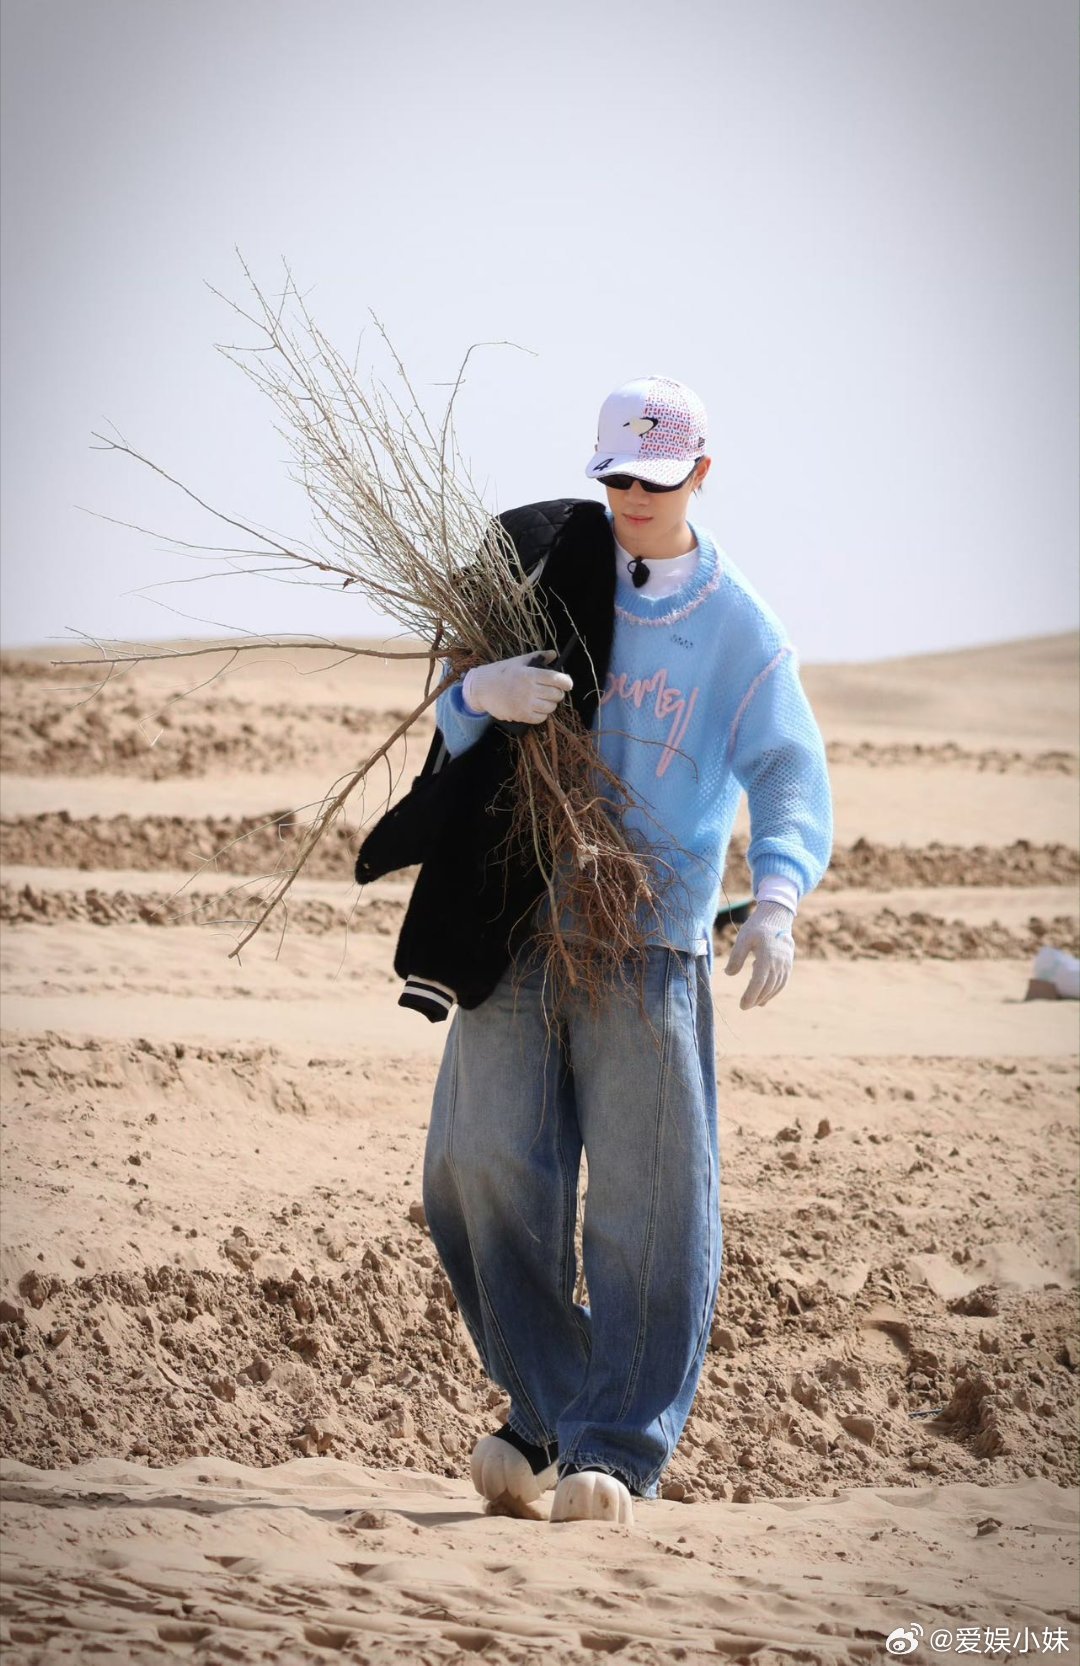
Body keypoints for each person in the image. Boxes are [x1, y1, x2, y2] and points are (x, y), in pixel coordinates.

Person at [419, 376, 833, 1525]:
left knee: (649, 1207)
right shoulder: (547, 570)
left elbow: (789, 773)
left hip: (649, 941)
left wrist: (779, 896)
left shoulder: (738, 623)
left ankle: (613, 1444)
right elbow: (451, 720)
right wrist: (476, 696)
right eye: (614, 479)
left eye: (653, 482)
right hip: (516, 922)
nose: (630, 500)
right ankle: (550, 1405)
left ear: (701, 475)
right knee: (477, 1171)